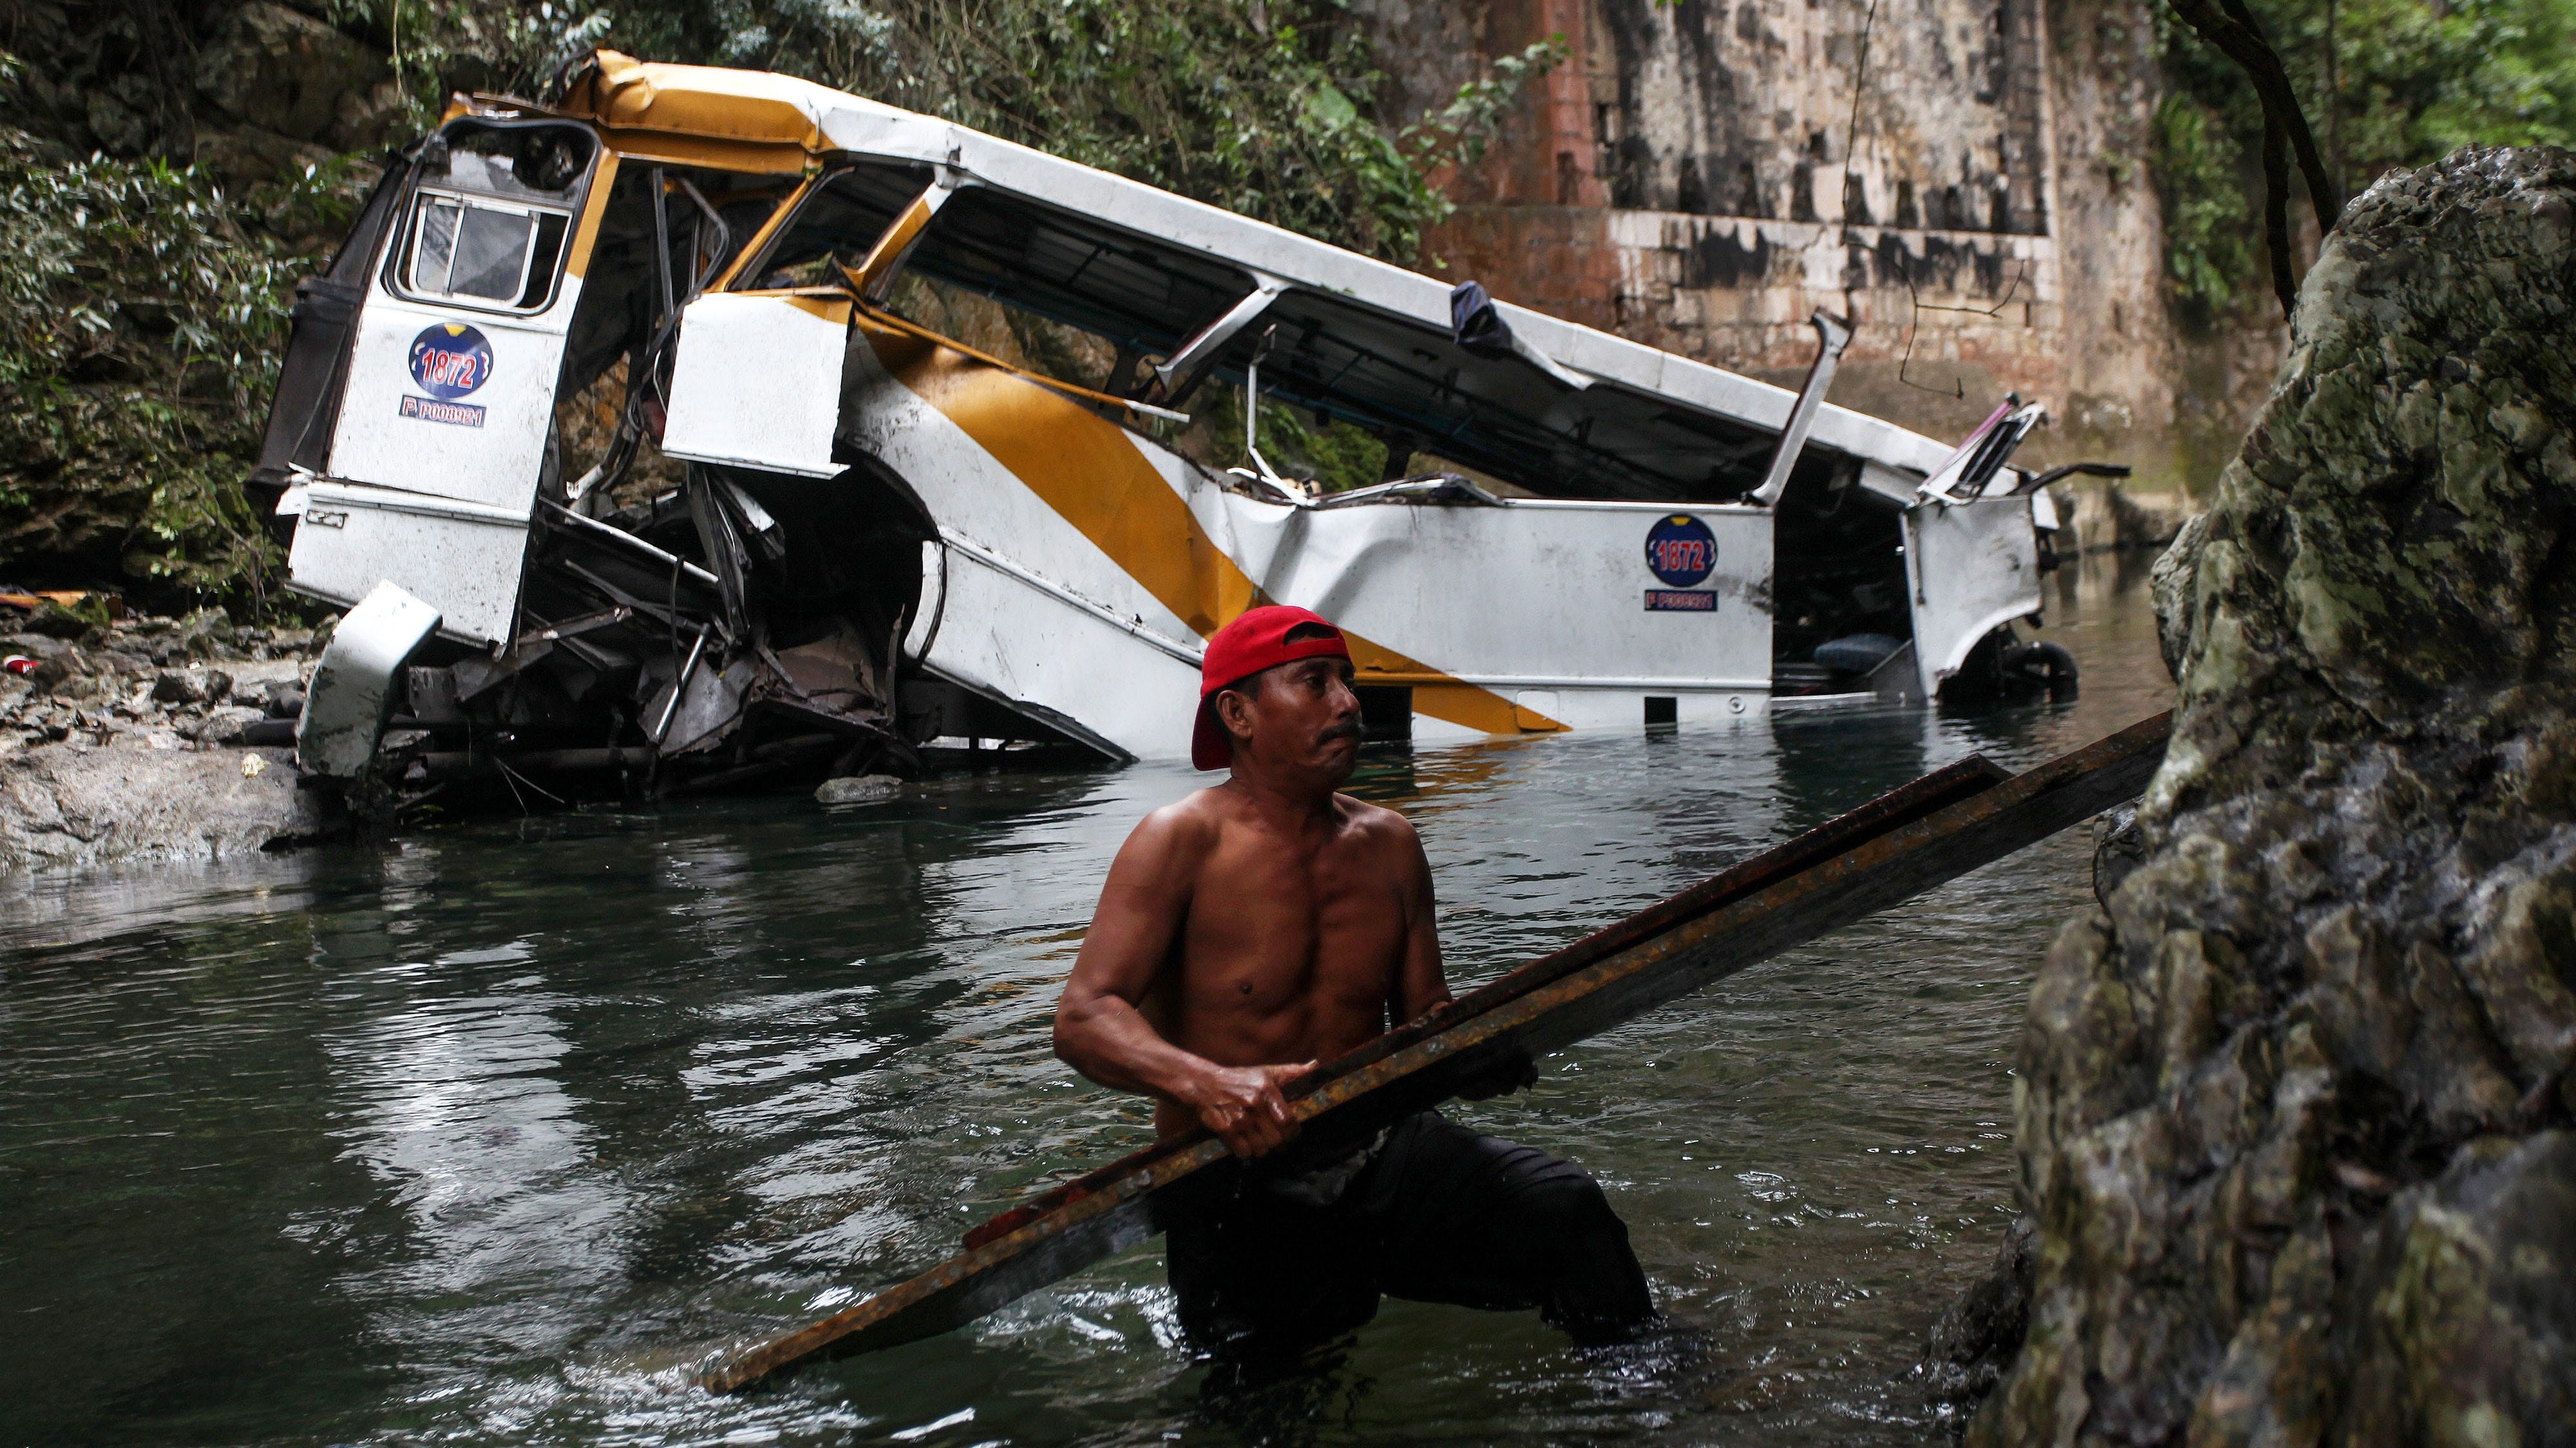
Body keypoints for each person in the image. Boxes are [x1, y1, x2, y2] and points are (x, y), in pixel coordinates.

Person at [1052, 604, 1656, 1363]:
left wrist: (1478, 1058)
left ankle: (1656, 1404)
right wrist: (1211, 1085)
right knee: (1269, 1398)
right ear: (1238, 712)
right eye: (1314, 683)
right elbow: (1081, 1018)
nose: (1346, 703)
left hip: (1381, 1152)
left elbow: (1423, 1023)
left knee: (1566, 1213)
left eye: (1346, 682)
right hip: (1233, 1185)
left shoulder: (1391, 843)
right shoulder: (1178, 841)